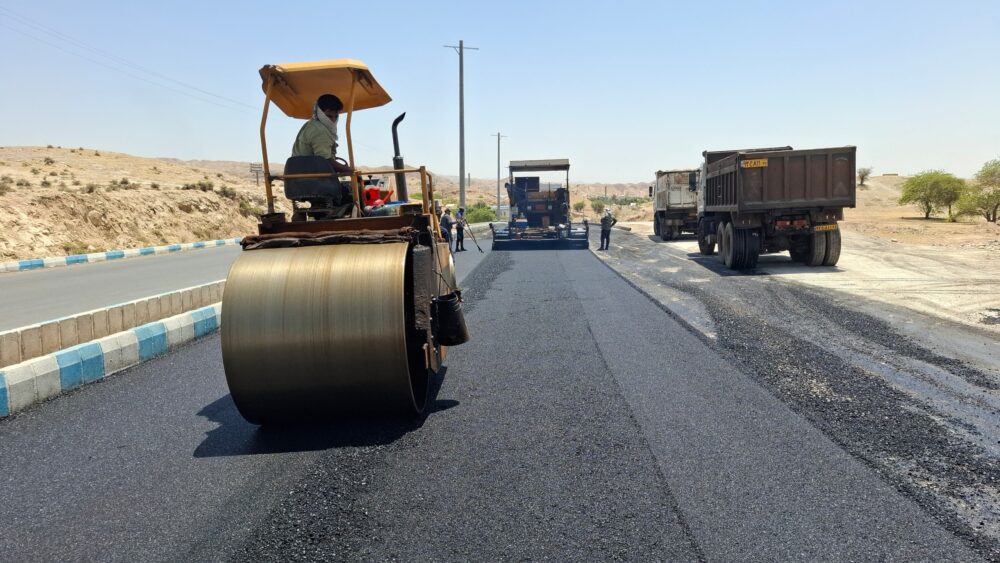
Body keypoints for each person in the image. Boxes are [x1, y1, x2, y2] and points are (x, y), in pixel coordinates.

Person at [291, 94, 354, 176]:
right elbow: (324, 160)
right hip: (310, 180)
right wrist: (350, 171)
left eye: (336, 116)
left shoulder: (311, 124)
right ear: (319, 112)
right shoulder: (320, 130)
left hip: (299, 175)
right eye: (329, 116)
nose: (333, 120)